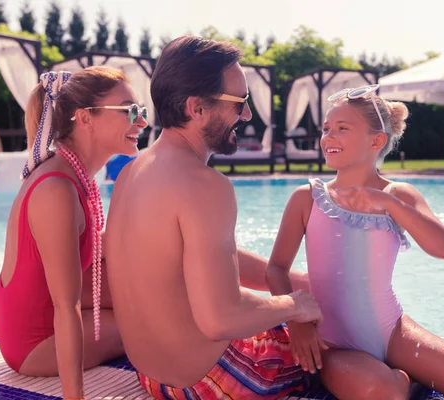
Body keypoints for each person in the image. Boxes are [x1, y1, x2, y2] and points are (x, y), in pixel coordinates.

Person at [105, 36, 323, 400]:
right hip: (210, 382)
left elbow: (195, 259)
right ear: (197, 108)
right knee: (334, 342)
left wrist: (290, 280)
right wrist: (297, 304)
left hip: (152, 376)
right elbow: (220, 318)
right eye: (240, 103)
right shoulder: (205, 185)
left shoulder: (133, 172)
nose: (248, 115)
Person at [266, 84, 444, 400]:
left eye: (342, 128)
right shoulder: (307, 198)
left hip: (392, 332)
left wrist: (390, 205)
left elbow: (443, 247)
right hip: (332, 342)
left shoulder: (399, 194)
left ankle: (408, 375)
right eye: (327, 128)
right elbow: (275, 269)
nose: (328, 137)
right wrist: (297, 322)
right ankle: (402, 381)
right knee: (381, 391)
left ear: (376, 140)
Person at [0, 66, 148, 400]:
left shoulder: (75, 175)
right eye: (131, 111)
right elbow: (66, 306)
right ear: (85, 118)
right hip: (33, 340)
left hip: (33, 311)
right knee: (148, 321)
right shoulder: (57, 191)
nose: (142, 122)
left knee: (153, 287)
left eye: (142, 111)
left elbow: (111, 248)